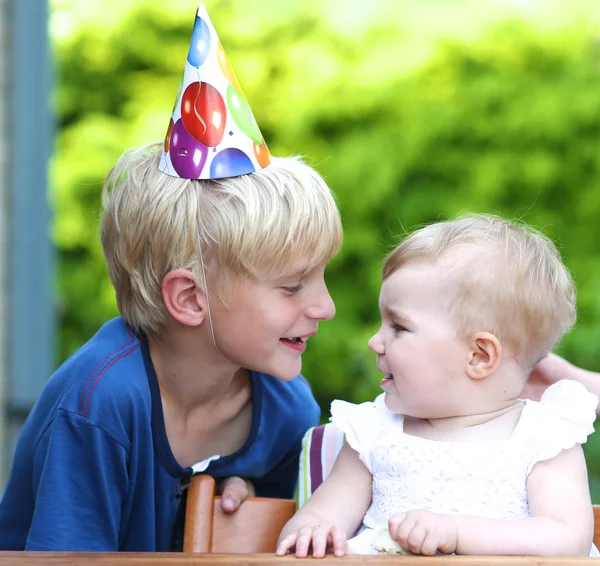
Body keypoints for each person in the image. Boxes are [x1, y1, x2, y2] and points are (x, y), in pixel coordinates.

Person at [277, 213, 599, 558]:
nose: (375, 342)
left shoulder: (544, 437)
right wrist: (310, 531)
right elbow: (320, 516)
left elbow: (567, 538)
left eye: (398, 327)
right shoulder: (375, 431)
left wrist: (457, 531)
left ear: (478, 356)